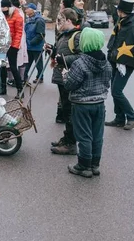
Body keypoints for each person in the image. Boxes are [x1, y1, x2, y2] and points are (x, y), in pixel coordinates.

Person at [63, 27, 112, 178]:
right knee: (97, 135)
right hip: (99, 103)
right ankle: (95, 165)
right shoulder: (106, 62)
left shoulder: (80, 63)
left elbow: (70, 85)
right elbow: (107, 81)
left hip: (82, 105)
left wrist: (66, 75)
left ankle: (84, 166)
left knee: (84, 135)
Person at [105, 0, 134, 130]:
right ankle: (119, 118)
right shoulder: (124, 20)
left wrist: (121, 61)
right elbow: (116, 39)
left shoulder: (132, 25)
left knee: (116, 91)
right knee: (115, 89)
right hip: (116, 59)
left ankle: (132, 117)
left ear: (120, 11)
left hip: (126, 61)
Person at [48, 8, 82, 155]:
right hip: (62, 78)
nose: (58, 23)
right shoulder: (64, 35)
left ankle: (71, 144)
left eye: (60, 20)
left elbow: (82, 57)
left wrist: (64, 59)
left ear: (69, 21)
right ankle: (67, 138)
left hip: (70, 78)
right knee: (66, 110)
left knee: (70, 111)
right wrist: (51, 50)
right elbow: (59, 53)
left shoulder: (76, 36)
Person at [0, 0, 24, 99]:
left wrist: (15, 46)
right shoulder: (3, 15)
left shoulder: (17, 16)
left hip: (13, 45)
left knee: (13, 67)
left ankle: (20, 90)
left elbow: (19, 32)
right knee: (2, 66)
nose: (3, 11)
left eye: (5, 9)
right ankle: (3, 88)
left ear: (9, 7)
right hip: (3, 45)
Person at [24, 3, 46, 84]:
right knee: (27, 62)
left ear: (32, 10)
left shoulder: (39, 20)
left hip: (37, 46)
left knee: (38, 63)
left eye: (27, 9)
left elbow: (40, 35)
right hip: (28, 46)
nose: (25, 10)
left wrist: (31, 42)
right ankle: (24, 77)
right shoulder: (29, 19)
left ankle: (40, 77)